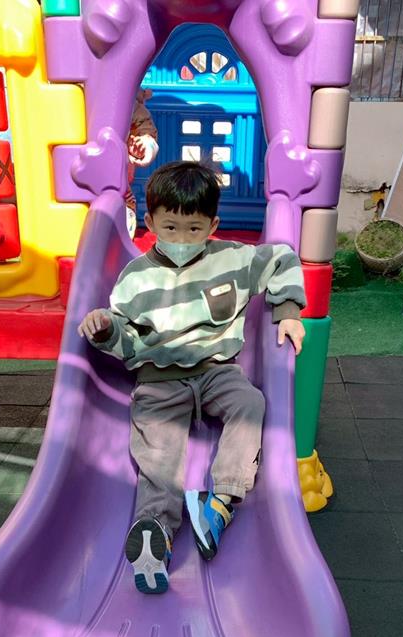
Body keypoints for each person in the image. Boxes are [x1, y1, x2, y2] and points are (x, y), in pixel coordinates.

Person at [78, 160, 306, 595]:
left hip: (217, 370)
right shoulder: (135, 279)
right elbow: (127, 340)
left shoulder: (232, 259)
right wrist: (106, 330)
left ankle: (221, 500)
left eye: (194, 229)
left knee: (251, 403)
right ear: (150, 223)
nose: (182, 239)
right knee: (159, 452)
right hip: (159, 381)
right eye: (171, 228)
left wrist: (289, 312)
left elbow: (282, 259)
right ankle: (155, 532)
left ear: (212, 226)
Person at [125, 89, 159, 237]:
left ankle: (124, 236)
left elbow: (148, 132)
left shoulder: (129, 104)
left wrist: (144, 146)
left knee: (123, 203)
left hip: (119, 179)